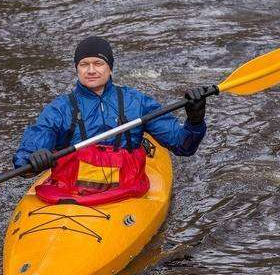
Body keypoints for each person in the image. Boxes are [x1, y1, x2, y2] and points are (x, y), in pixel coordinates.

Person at [12, 36, 208, 203]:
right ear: (77, 69)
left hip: (126, 192)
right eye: (84, 64)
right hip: (69, 194)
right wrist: (33, 158)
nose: (90, 70)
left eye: (98, 63)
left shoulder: (137, 102)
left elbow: (183, 146)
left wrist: (195, 120)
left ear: (110, 69)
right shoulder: (60, 109)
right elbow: (29, 153)